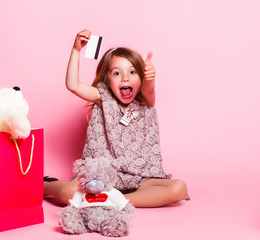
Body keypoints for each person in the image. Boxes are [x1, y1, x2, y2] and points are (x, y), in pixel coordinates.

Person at [44, 29, 188, 208]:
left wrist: (150, 78)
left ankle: (112, 200)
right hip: (103, 177)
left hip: (141, 178)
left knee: (178, 188)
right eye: (117, 73)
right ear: (108, 79)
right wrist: (76, 51)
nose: (125, 78)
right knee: (68, 193)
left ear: (141, 79)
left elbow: (149, 90)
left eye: (133, 72)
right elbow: (73, 85)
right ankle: (45, 185)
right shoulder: (102, 97)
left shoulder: (146, 101)